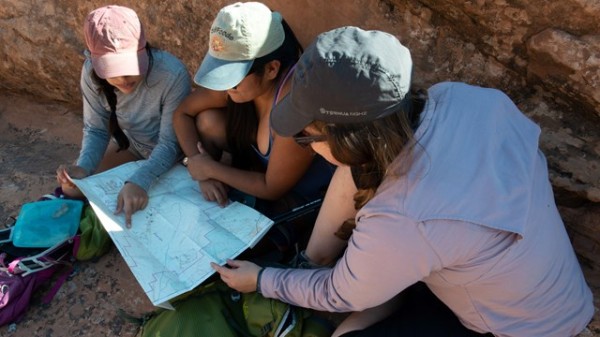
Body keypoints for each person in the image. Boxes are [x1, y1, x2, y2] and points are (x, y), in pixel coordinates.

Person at [212, 26, 594, 336]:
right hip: (535, 287)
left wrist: (262, 281)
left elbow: (338, 293)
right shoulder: (460, 98)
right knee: (355, 186)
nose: (306, 148)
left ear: (346, 137)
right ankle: (309, 261)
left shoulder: (403, 217)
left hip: (516, 328)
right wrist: (310, 263)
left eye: (306, 137)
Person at [172, 2, 333, 223]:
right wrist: (197, 163)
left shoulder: (293, 108)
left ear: (271, 69)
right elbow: (183, 113)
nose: (228, 86)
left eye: (233, 76)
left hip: (299, 197)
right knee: (207, 119)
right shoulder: (239, 87)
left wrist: (209, 169)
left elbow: (272, 188)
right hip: (256, 169)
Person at [56, 5, 191, 227]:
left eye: (129, 66)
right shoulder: (90, 72)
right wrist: (84, 167)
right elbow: (96, 129)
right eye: (112, 70)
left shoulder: (171, 74)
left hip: (177, 154)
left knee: (163, 215)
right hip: (135, 147)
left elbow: (170, 143)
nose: (123, 78)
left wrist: (140, 180)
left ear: (143, 49)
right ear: (94, 59)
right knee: (74, 190)